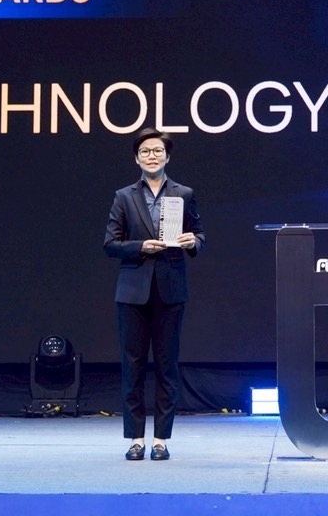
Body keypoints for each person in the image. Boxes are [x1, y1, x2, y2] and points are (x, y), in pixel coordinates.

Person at [103, 128, 202, 460]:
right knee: (132, 367)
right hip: (132, 291)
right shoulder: (123, 196)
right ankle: (136, 439)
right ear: (137, 158)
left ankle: (161, 440)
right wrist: (140, 246)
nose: (152, 156)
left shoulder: (184, 193)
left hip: (171, 289)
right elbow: (110, 244)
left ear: (167, 156)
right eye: (145, 151)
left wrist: (193, 241)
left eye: (157, 150)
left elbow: (200, 234)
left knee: (166, 366)